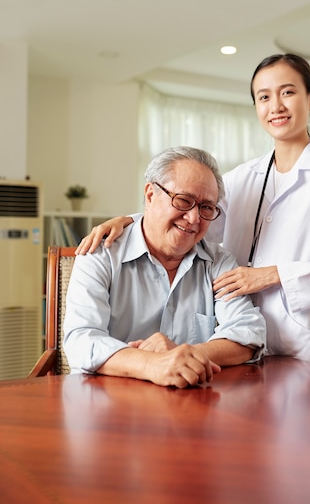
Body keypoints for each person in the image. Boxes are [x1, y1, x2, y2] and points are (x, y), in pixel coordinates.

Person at [76, 53, 310, 368]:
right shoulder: (240, 178)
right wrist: (131, 223)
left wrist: (272, 275)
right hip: (233, 350)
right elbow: (193, 226)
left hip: (302, 346)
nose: (276, 106)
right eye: (264, 97)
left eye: (288, 92)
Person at [64, 146, 266, 388]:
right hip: (109, 405)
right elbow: (81, 340)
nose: (194, 219)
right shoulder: (100, 253)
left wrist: (186, 354)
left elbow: (248, 333)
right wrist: (151, 364)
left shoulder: (219, 262)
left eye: (206, 208)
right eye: (183, 201)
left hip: (192, 408)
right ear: (150, 194)